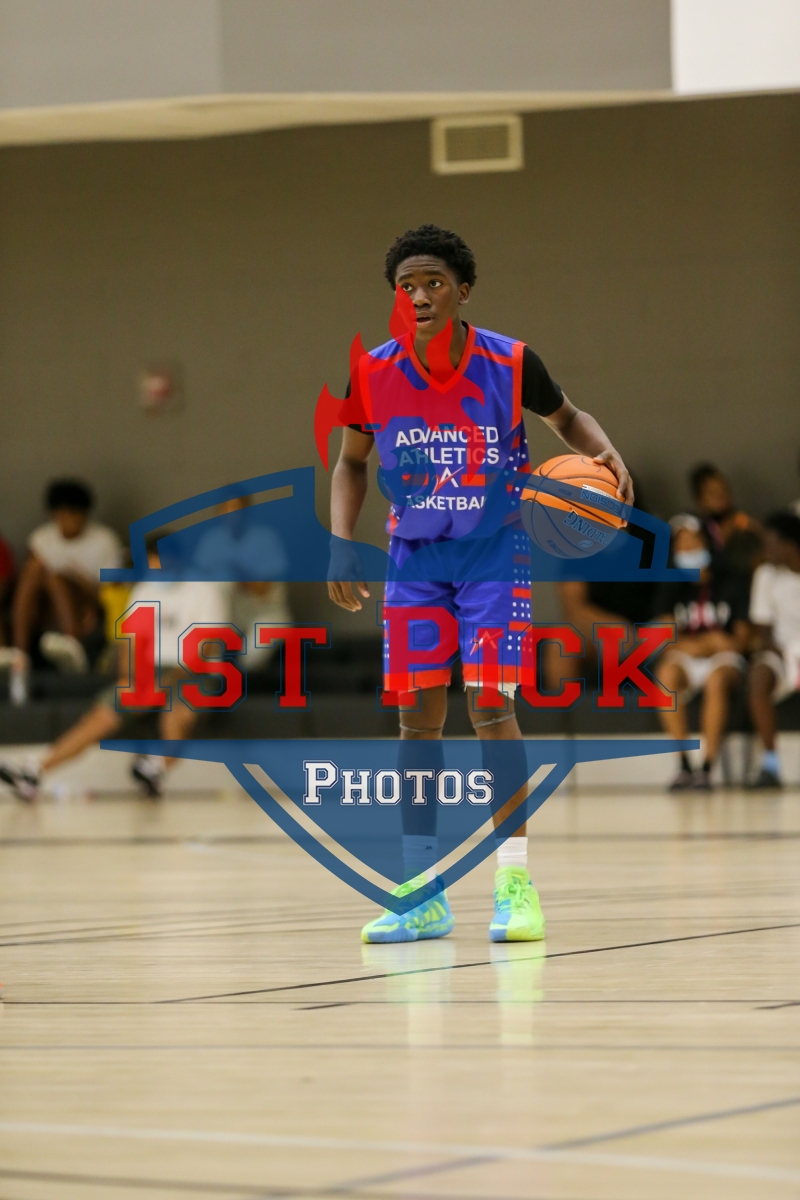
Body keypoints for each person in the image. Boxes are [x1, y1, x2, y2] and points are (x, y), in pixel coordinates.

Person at [328, 224, 632, 943]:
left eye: (433, 283)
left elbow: (568, 419)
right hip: (415, 560)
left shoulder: (511, 361)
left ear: (462, 291)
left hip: (494, 553)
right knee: (417, 720)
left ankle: (515, 884)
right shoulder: (372, 372)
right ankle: (422, 890)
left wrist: (606, 453)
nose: (419, 297)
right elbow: (350, 462)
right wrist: (340, 542)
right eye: (406, 287)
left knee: (492, 706)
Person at [0, 540, 229, 801]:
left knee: (178, 712)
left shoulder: (204, 591)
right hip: (149, 673)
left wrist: (165, 682)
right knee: (101, 714)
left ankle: (157, 768)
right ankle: (34, 771)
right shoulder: (144, 591)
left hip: (195, 673)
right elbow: (129, 644)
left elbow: (206, 648)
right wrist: (131, 677)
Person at [653, 514, 751, 791]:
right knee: (666, 674)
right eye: (680, 544)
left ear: (708, 543)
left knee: (716, 680)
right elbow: (664, 637)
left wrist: (701, 644)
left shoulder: (732, 582)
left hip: (725, 661)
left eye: (692, 542)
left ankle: (707, 767)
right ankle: (684, 765)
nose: (687, 549)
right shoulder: (671, 586)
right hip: (689, 656)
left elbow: (739, 641)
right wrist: (707, 643)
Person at [12, 480, 123, 672]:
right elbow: (28, 582)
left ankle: (72, 644)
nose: (69, 520)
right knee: (34, 571)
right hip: (45, 608)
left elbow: (111, 591)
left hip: (85, 603)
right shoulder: (41, 538)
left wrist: (78, 583)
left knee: (55, 579)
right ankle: (19, 654)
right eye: (63, 514)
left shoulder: (104, 540)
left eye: (75, 514)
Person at [747, 512, 800, 788]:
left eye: (771, 544)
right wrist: (781, 653)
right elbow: (763, 632)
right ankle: (770, 764)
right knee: (758, 676)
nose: (765, 551)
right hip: (782, 655)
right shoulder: (765, 575)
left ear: (790, 545)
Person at [689, 463, 758, 557]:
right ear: (700, 500)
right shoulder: (695, 528)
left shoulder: (742, 519)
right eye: (712, 493)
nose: (720, 496)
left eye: (723, 489)